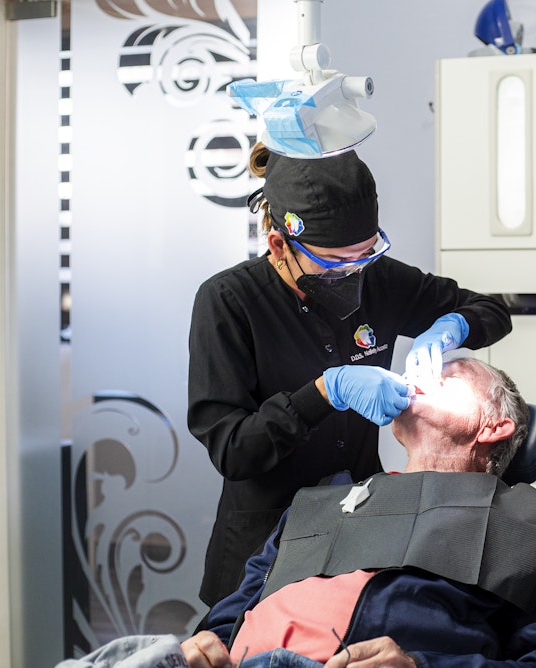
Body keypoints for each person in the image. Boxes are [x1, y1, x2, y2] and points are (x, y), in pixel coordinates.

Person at [187, 144, 513, 609]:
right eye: (337, 262)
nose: (354, 273)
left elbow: (492, 309)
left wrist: (451, 327)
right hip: (263, 556)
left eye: (365, 254)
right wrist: (326, 392)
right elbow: (234, 449)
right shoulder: (228, 303)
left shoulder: (377, 279)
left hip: (361, 531)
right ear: (280, 245)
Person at [180, 357, 536, 667]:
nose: (421, 373)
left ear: (493, 426)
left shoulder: (529, 524)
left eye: (449, 374)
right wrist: (206, 643)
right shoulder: (321, 501)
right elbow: (232, 611)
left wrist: (419, 666)